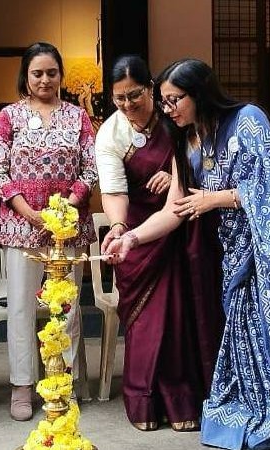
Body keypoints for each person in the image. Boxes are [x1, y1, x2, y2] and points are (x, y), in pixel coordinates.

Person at [104, 58, 270, 449]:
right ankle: (262, 403)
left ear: (198, 94)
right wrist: (131, 238)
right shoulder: (186, 143)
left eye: (173, 100)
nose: (167, 110)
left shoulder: (248, 120)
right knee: (243, 318)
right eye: (164, 101)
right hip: (238, 239)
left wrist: (215, 198)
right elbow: (175, 209)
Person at [95, 55, 223, 432]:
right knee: (149, 321)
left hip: (185, 225)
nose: (127, 104)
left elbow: (200, 159)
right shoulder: (111, 134)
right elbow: (114, 190)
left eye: (134, 95)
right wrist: (119, 227)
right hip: (141, 231)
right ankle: (145, 401)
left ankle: (190, 399)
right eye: (118, 98)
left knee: (187, 313)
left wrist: (174, 174)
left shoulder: (177, 116)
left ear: (150, 87)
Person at [0, 42, 97, 421]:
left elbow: (91, 169)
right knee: (20, 306)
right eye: (38, 73)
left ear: (60, 76)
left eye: (52, 72)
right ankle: (22, 384)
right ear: (26, 76)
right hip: (22, 226)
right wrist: (29, 212)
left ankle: (63, 381)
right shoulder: (9, 117)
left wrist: (66, 205)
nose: (45, 79)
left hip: (67, 226)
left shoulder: (77, 117)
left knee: (65, 307)